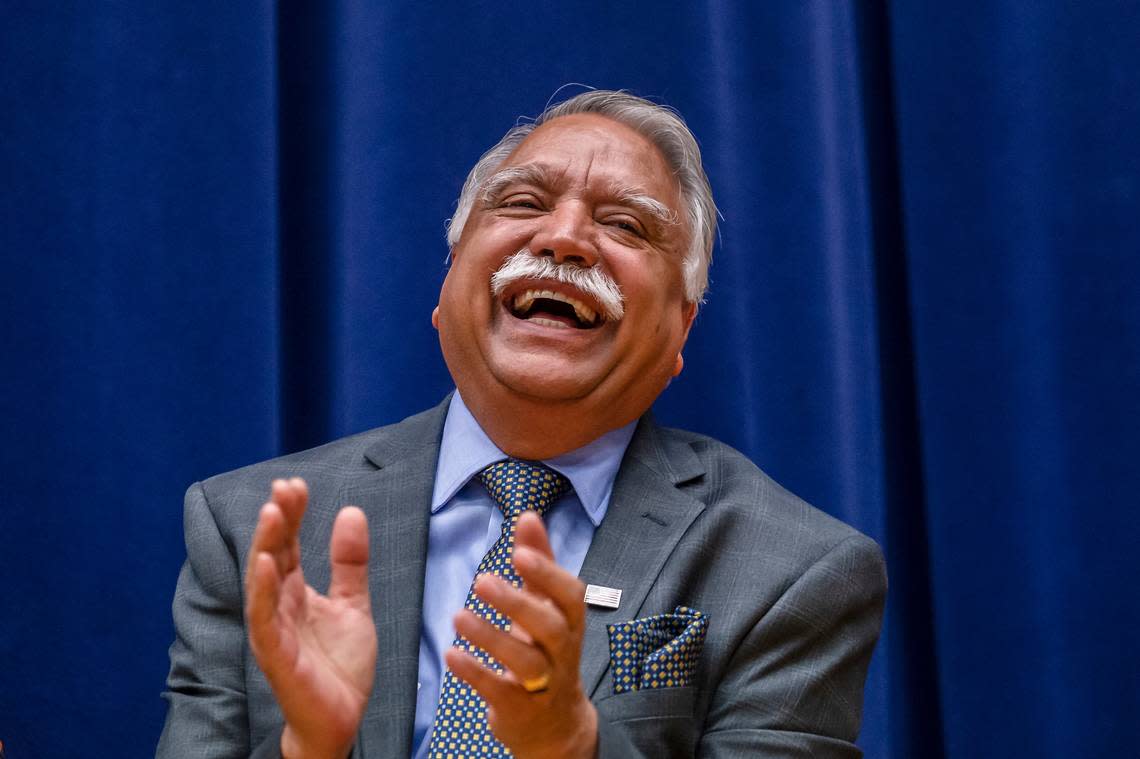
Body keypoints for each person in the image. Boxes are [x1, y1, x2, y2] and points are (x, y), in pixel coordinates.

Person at [157, 90, 886, 759]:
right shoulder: (247, 529)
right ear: (447, 288)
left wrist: (571, 747)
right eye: (523, 202)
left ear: (680, 329)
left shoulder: (794, 571)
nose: (565, 238)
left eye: (625, 224)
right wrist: (309, 747)